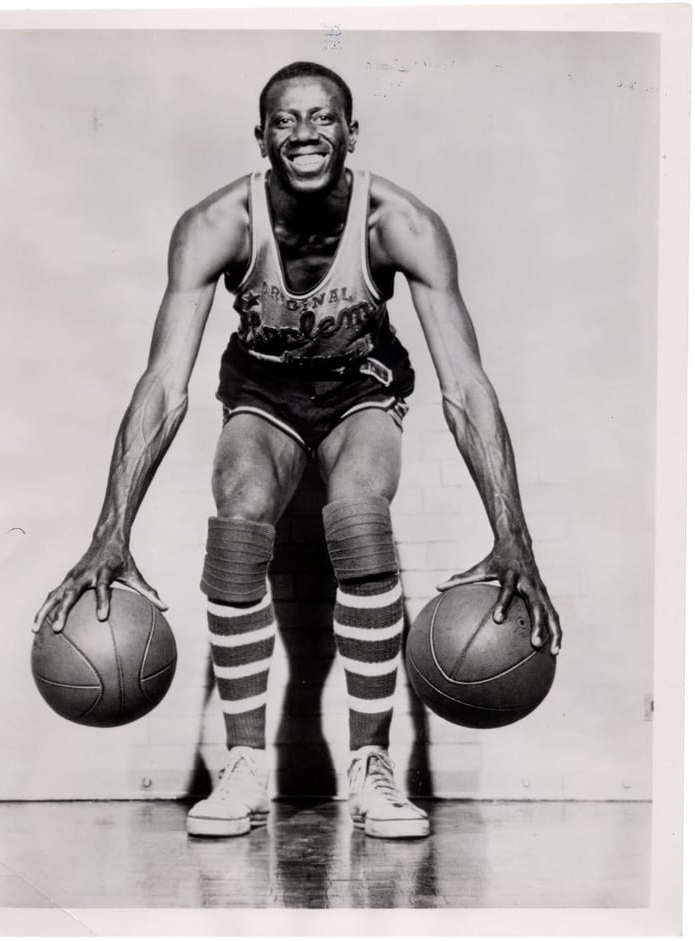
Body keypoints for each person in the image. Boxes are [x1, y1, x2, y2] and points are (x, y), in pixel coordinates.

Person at [34, 61, 562, 840]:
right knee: (241, 506)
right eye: (286, 120)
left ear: (351, 131)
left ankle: (371, 763)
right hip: (265, 392)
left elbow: (466, 388)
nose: (305, 133)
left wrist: (512, 533)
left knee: (357, 510)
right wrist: (110, 530)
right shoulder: (219, 224)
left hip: (360, 392)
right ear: (262, 136)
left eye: (323, 118)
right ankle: (244, 766)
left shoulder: (400, 223)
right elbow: (162, 385)